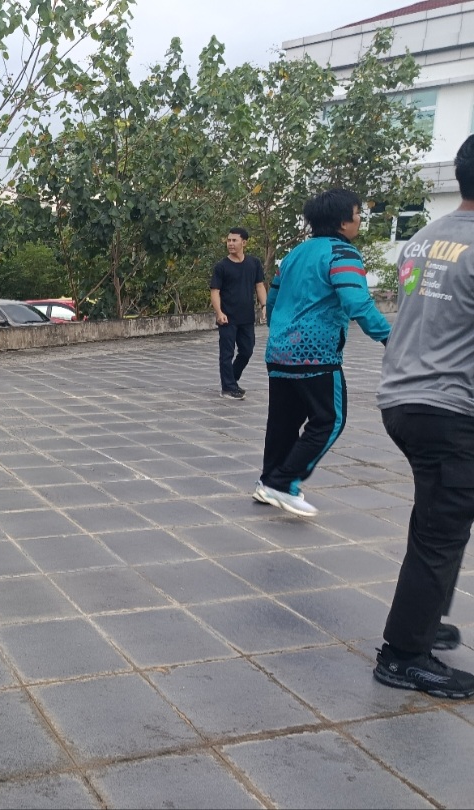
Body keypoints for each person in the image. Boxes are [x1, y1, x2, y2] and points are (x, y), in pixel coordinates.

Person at [373, 135, 474, 699]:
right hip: (447, 410)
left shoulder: (423, 238)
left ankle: (423, 620)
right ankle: (404, 655)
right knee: (441, 529)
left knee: (437, 518)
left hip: (404, 399)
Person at [254, 188, 391, 517]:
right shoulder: (343, 253)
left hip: (280, 351)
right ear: (343, 222)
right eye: (358, 215)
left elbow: (273, 302)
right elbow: (357, 303)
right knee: (330, 420)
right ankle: (283, 482)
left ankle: (269, 481)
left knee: (283, 422)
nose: (359, 220)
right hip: (316, 355)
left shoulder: (294, 254)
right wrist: (391, 338)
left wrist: (282, 332)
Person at [210, 227, 267, 399]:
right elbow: (215, 291)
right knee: (226, 354)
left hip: (247, 317)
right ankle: (228, 388)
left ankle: (232, 379)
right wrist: (219, 312)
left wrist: (264, 305)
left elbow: (259, 286)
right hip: (227, 318)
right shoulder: (221, 266)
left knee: (247, 351)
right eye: (228, 240)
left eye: (234, 240)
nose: (230, 244)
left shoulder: (254, 263)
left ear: (244, 242)